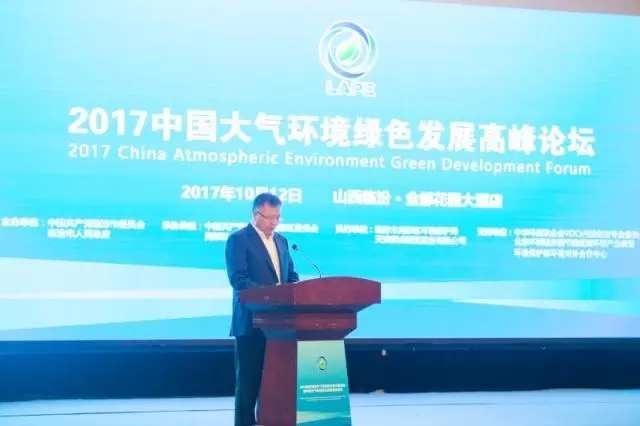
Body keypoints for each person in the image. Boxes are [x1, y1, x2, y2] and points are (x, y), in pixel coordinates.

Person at [225, 192, 300, 426]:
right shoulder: (238, 239)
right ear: (256, 214)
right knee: (249, 384)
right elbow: (238, 279)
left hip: (280, 326)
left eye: (278, 217)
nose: (274, 222)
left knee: (277, 383)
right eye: (270, 217)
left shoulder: (282, 241)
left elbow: (291, 275)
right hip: (251, 322)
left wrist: (293, 289)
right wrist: (271, 293)